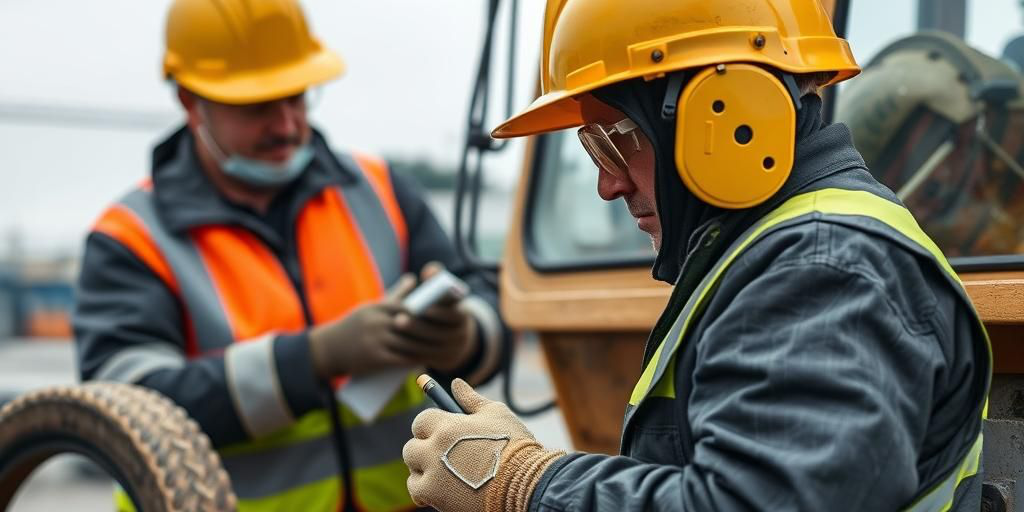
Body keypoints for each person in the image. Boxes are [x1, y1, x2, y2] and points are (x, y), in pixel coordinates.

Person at [402, 1, 991, 511]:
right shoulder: (780, 255)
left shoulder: (824, 268)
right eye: (595, 150)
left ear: (727, 113)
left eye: (617, 140)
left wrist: (526, 485)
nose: (608, 185)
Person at [73, 0, 505, 510]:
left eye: (296, 97)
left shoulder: (378, 190)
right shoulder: (132, 237)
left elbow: (491, 306)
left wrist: (466, 338)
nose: (286, 124)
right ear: (191, 102)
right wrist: (313, 359)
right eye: (257, 106)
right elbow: (126, 412)